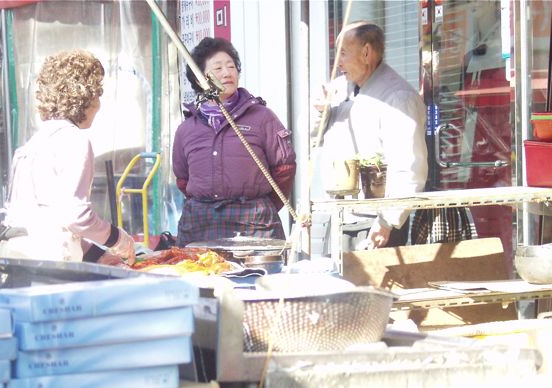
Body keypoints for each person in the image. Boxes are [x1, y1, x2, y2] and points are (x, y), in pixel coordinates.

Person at [0, 49, 135, 265]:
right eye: (97, 95)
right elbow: (76, 216)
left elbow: (49, 219)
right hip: (50, 259)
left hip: (13, 251)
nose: (99, 105)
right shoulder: (74, 140)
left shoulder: (32, 144)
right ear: (85, 98)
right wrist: (119, 240)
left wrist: (97, 255)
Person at [172, 37, 297, 247]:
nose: (227, 73)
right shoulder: (187, 129)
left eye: (231, 67)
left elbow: (284, 169)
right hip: (200, 224)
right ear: (200, 79)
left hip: (255, 224)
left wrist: (262, 205)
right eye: (218, 68)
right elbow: (183, 180)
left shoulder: (262, 117)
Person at [317, 21, 428, 249]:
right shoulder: (340, 88)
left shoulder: (398, 97)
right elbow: (312, 139)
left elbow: (409, 166)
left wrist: (387, 221)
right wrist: (319, 111)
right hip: (339, 214)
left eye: (343, 53)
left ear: (366, 53)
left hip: (374, 221)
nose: (338, 63)